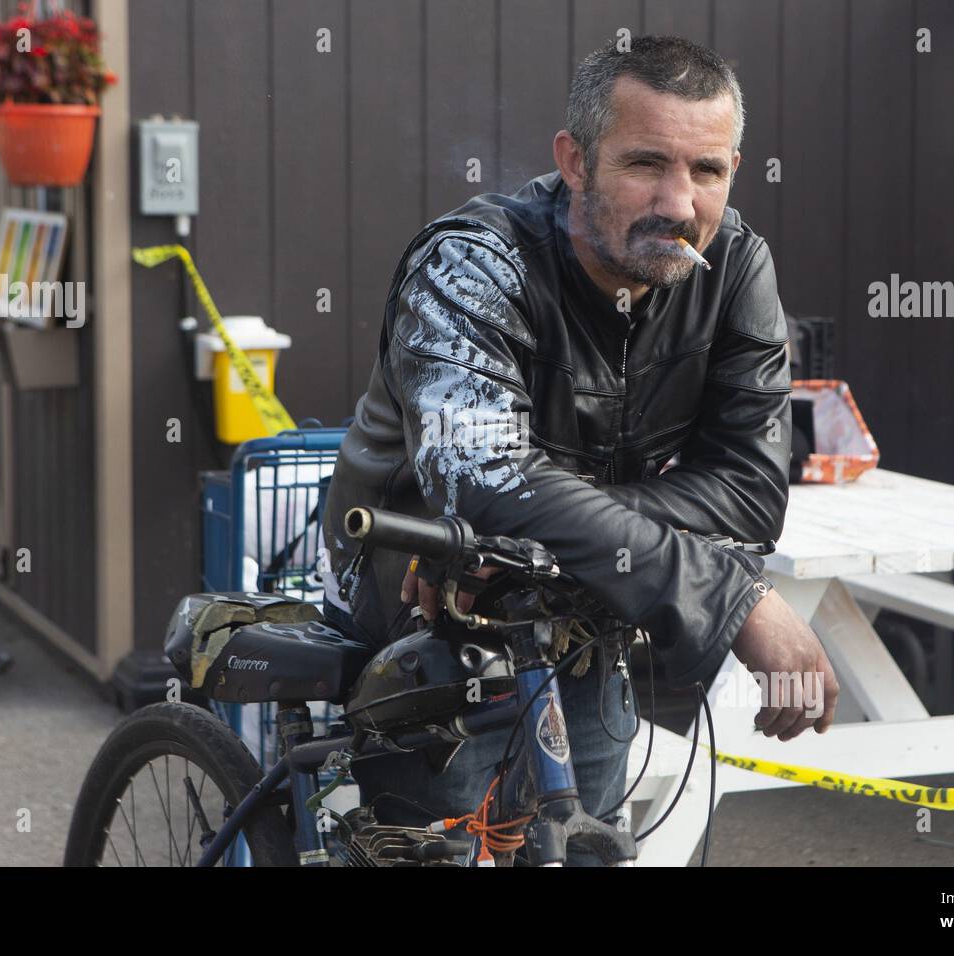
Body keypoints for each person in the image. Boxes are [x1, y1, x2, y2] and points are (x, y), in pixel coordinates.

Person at [319, 35, 839, 864]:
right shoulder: (472, 264)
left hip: (584, 598)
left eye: (706, 171)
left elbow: (747, 492)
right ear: (574, 160)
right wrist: (731, 599)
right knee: (436, 848)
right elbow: (482, 481)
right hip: (418, 595)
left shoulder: (735, 264)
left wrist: (539, 530)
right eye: (645, 164)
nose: (679, 201)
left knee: (584, 841)